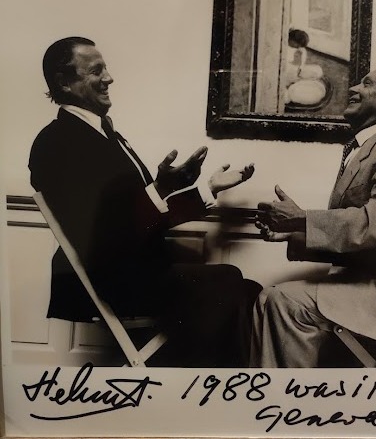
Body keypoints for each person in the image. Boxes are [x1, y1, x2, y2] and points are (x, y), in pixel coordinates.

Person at [29, 36, 258, 367]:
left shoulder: (105, 135)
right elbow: (103, 234)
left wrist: (206, 189)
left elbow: (143, 218)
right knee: (227, 281)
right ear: (64, 82)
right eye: (96, 71)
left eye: (106, 68)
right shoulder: (54, 144)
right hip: (113, 280)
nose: (109, 78)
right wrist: (160, 187)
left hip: (138, 271)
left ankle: (215, 385)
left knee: (249, 292)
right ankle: (208, 387)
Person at [251, 66, 376, 368]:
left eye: (367, 84)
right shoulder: (370, 146)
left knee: (284, 302)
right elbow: (366, 235)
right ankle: (277, 394)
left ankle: (288, 396)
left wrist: (302, 220)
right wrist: (294, 232)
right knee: (269, 299)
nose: (353, 88)